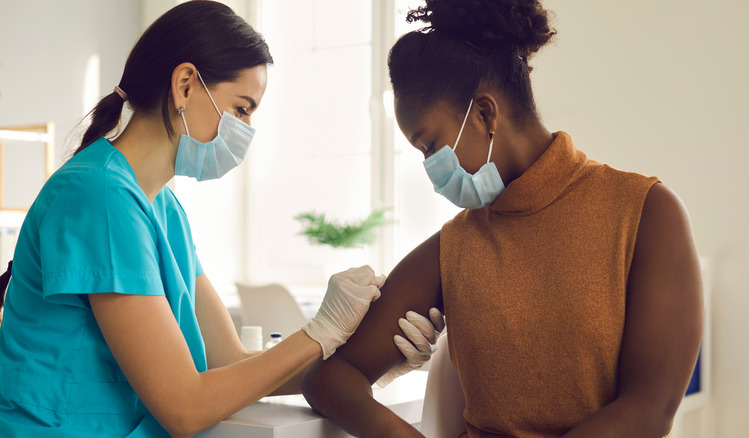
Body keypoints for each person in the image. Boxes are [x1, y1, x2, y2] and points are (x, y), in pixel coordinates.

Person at [0, 2, 443, 437]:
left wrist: (368, 361)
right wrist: (319, 332)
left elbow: (226, 360)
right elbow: (184, 407)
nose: (247, 130)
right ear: (186, 85)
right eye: (242, 108)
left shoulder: (162, 208)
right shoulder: (98, 196)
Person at [301, 0, 704, 437]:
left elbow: (651, 408)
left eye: (431, 145)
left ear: (485, 113)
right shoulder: (456, 245)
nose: (431, 168)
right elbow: (331, 378)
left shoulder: (646, 213)